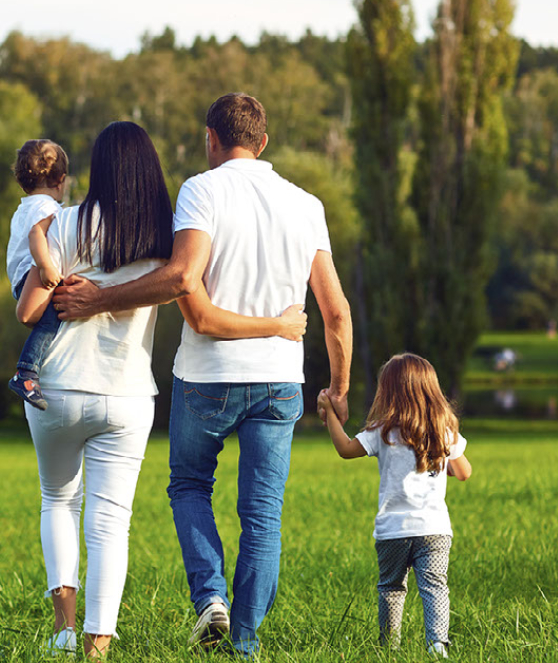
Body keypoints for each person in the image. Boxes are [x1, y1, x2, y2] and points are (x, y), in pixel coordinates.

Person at [51, 92, 353, 656]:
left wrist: (98, 300)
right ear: (263, 143)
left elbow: (183, 277)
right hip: (280, 380)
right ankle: (245, 642)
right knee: (262, 514)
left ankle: (211, 599)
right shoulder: (306, 204)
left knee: (190, 485)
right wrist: (338, 387)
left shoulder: (201, 190)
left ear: (210, 139)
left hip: (206, 377)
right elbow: (335, 310)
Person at [317, 353, 473, 658]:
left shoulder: (383, 430)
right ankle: (437, 646)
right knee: (435, 587)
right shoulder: (444, 430)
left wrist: (330, 416)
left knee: (391, 588)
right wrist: (442, 461)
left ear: (387, 391)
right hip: (435, 529)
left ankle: (389, 647)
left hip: (393, 531)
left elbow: (346, 450)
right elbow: (463, 472)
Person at [6, 139, 69, 410]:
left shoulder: (24, 207)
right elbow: (36, 236)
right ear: (61, 180)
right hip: (33, 275)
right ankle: (27, 372)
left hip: (20, 280)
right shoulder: (48, 208)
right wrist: (45, 266)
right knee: (52, 318)